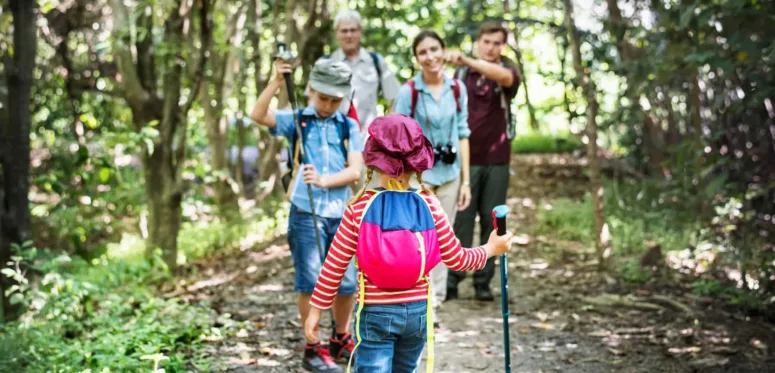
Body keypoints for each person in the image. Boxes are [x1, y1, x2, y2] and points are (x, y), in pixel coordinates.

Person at [303, 114, 514, 373]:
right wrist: (491, 248)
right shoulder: (430, 205)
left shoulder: (358, 209)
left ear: (373, 161)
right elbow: (457, 259)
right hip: (417, 314)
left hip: (375, 312)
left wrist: (316, 311)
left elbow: (334, 266)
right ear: (417, 164)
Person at [250, 59, 364, 373]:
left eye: (335, 99)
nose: (328, 105)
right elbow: (258, 115)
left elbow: (355, 170)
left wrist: (325, 180)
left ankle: (341, 337)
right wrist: (275, 81)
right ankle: (312, 347)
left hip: (341, 213)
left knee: (346, 280)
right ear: (311, 90)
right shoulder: (299, 120)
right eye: (323, 97)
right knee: (311, 281)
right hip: (306, 211)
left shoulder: (348, 125)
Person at [393, 30, 471, 323]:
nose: (430, 57)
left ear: (443, 50)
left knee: (442, 238)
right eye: (423, 52)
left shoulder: (457, 89)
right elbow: (396, 136)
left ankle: (433, 304)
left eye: (434, 49)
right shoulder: (408, 92)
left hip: (450, 174)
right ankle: (413, 299)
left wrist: (466, 181)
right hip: (418, 177)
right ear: (416, 58)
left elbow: (463, 134)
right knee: (416, 239)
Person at [444, 22, 521, 301]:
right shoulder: (462, 73)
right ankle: (453, 278)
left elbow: (506, 79)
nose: (491, 47)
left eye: (497, 43)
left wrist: (466, 58)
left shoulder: (507, 69)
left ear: (503, 45)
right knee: (461, 218)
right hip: (465, 159)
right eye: (486, 42)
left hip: (497, 158)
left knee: (493, 218)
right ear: (478, 42)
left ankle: (483, 281)